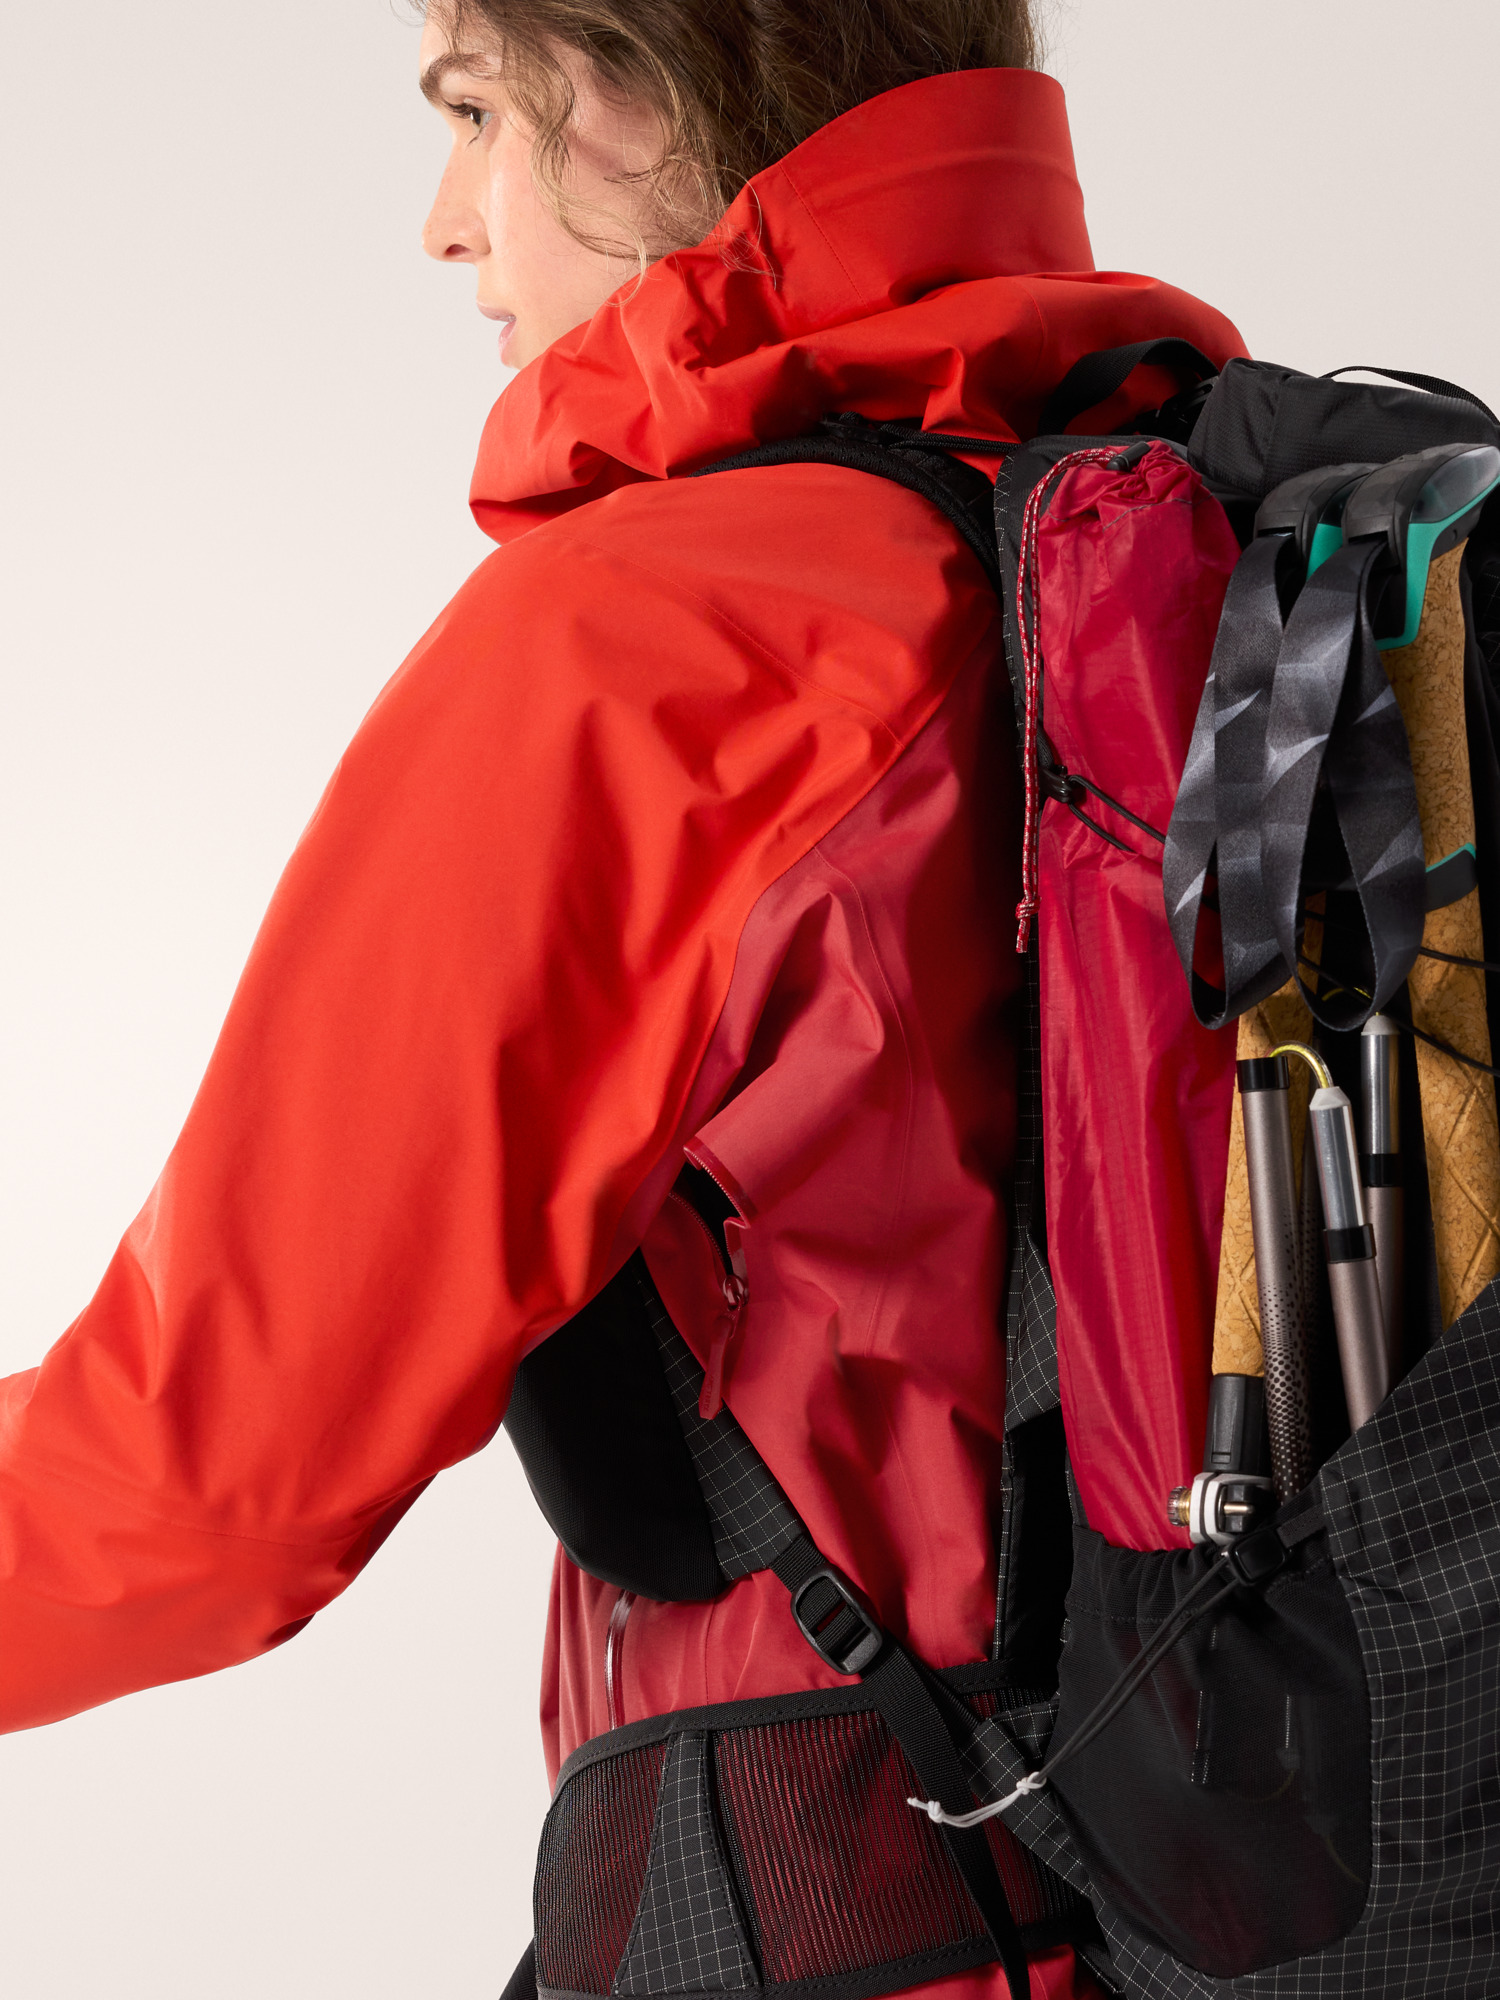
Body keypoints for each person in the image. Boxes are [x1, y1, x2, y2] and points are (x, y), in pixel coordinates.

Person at [0, 2, 1242, 1994]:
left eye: (473, 109)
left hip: (848, 1905)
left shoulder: (652, 641)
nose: (443, 219)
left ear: (635, 86)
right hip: (1239, 1868)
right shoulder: (1162, 513)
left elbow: (199, 1480)